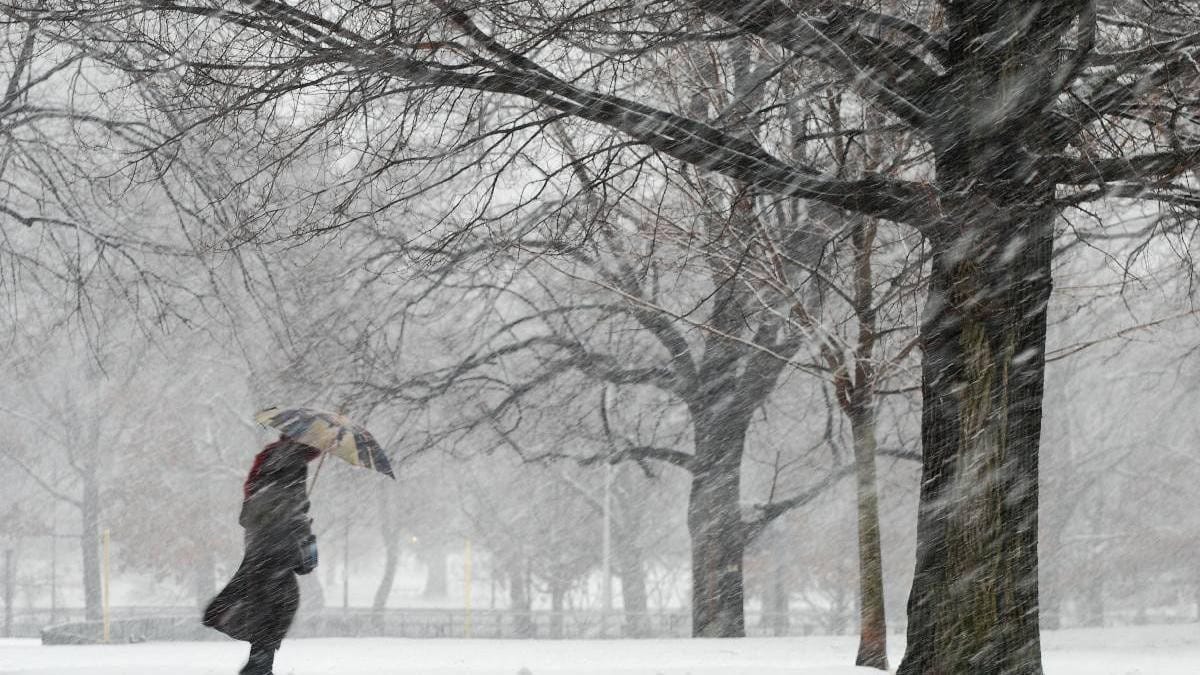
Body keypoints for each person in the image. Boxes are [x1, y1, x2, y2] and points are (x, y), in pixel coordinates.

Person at [204, 436, 321, 675]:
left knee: (266, 610)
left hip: (259, 557)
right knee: (280, 607)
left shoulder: (265, 473)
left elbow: (248, 517)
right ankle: (259, 664)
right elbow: (305, 563)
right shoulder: (294, 471)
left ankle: (259, 663)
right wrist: (304, 533)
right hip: (277, 557)